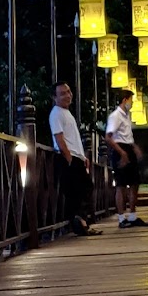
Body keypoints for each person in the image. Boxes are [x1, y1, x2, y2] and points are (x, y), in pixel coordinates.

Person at [49, 82, 94, 236]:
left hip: (76, 157)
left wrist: (82, 156)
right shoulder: (56, 113)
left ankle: (81, 224)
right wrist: (69, 157)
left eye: (68, 91)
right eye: (62, 93)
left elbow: (72, 138)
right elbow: (59, 138)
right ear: (54, 97)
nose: (68, 95)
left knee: (81, 191)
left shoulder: (67, 113)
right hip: (69, 158)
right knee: (81, 190)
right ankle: (79, 222)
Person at [105, 89, 144, 229]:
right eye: (131, 100)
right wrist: (122, 152)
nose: (132, 103)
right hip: (120, 149)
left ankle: (133, 215)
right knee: (121, 185)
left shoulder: (127, 116)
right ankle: (121, 218)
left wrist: (134, 147)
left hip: (128, 147)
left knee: (135, 182)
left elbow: (127, 135)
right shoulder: (115, 116)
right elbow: (108, 136)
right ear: (125, 100)